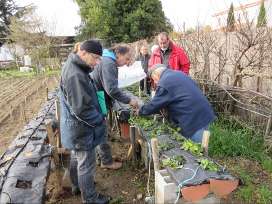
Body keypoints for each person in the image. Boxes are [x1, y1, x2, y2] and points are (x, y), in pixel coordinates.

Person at [59, 40, 110, 204]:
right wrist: (100, 120)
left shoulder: (76, 67)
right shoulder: (75, 75)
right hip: (81, 129)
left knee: (77, 157)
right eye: (94, 58)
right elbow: (82, 110)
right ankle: (90, 198)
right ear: (83, 52)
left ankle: (77, 185)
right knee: (86, 164)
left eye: (98, 59)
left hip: (75, 128)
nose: (96, 63)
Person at [137, 64, 215, 143]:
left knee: (195, 150)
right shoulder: (178, 74)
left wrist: (140, 111)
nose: (156, 82)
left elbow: (154, 105)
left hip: (193, 119)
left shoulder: (165, 82)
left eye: (154, 79)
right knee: (202, 144)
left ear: (156, 74)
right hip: (204, 113)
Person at [91, 44, 138, 169]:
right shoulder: (108, 63)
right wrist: (129, 101)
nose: (127, 63)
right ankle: (106, 161)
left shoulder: (107, 60)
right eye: (127, 58)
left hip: (98, 96)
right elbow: (111, 89)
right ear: (119, 54)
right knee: (101, 129)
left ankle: (103, 157)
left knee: (99, 129)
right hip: (97, 97)